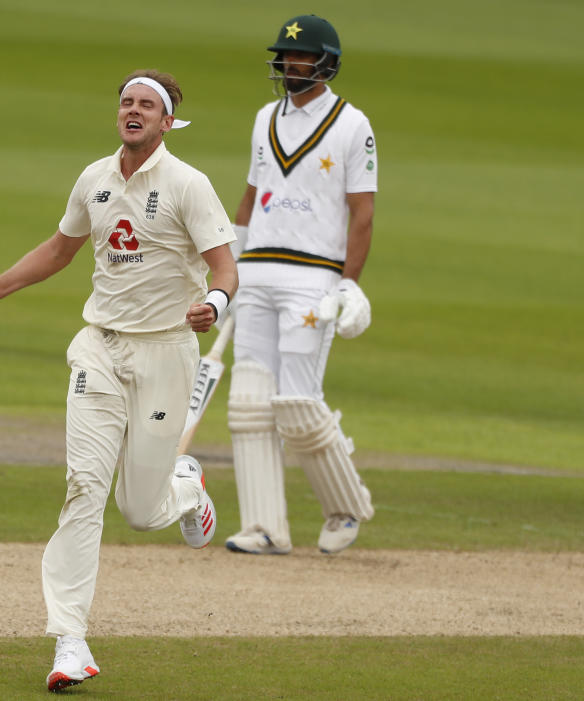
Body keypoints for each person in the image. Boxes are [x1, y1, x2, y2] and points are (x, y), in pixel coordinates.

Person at [0, 69, 238, 692]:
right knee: (83, 487)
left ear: (167, 122)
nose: (132, 112)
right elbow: (60, 249)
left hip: (166, 352)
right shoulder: (95, 178)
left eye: (146, 106)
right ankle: (70, 642)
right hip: (99, 350)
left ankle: (187, 489)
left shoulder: (189, 185)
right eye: (126, 103)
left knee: (139, 509)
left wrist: (213, 305)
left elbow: (224, 265)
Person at [224, 14, 377, 557]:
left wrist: (348, 285)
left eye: (301, 57)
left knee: (295, 401)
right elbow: (248, 200)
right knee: (248, 402)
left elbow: (362, 213)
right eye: (285, 57)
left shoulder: (352, 125)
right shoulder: (265, 117)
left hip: (313, 277)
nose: (290, 64)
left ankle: (345, 507)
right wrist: (228, 277)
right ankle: (265, 527)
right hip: (258, 270)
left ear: (325, 62)